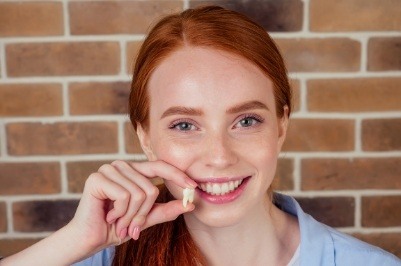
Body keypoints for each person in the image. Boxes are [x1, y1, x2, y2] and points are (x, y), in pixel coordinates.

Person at [1, 5, 400, 266]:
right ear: (145, 136)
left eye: (246, 121)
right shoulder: (102, 255)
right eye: (184, 125)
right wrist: (75, 241)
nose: (219, 156)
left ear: (281, 125)